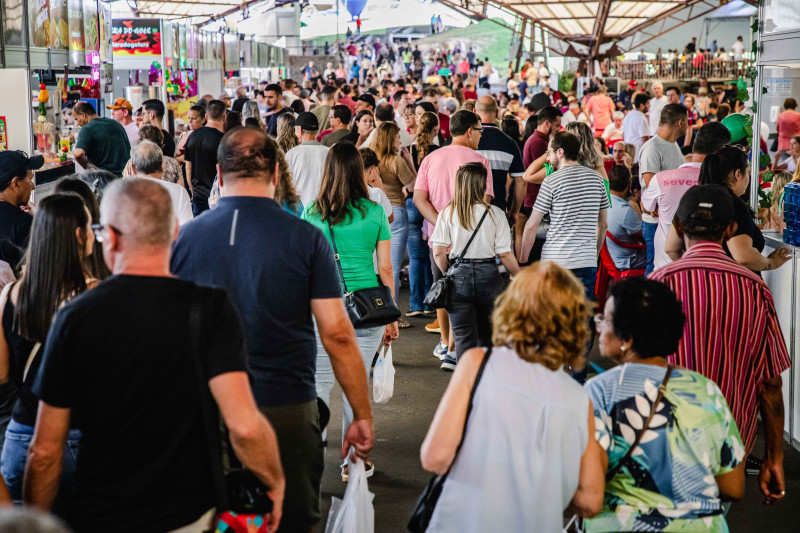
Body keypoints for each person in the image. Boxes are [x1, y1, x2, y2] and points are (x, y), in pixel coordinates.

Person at [26, 179, 285, 532]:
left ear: (111, 238)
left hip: (101, 514)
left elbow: (44, 452)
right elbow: (243, 425)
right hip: (188, 515)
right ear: (175, 234)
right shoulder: (210, 309)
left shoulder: (75, 316)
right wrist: (274, 481)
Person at [171, 128, 374, 531]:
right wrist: (361, 414)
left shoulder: (187, 238)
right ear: (277, 174)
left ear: (218, 174)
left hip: (205, 408)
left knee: (214, 518)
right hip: (285, 403)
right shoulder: (304, 238)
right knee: (291, 518)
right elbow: (336, 333)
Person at [420, 262, 604, 531]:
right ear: (574, 321)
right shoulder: (578, 399)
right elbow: (590, 500)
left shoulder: (477, 365)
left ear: (512, 307)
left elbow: (435, 456)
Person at [651, 185, 789, 506]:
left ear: (680, 227)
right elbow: (770, 386)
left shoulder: (659, 284)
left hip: (664, 439)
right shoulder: (755, 290)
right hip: (729, 446)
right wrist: (774, 458)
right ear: (729, 229)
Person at [587, 277, 745, 532]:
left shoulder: (599, 392)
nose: (598, 327)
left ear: (627, 336)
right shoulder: (706, 390)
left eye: (604, 319)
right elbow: (732, 487)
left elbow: (586, 490)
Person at [301, 142, 398, 479]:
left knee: (318, 384)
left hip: (322, 308)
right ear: (359, 171)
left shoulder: (312, 212)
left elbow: (304, 266)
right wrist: (392, 315)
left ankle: (311, 463)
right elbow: (386, 269)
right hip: (367, 310)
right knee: (356, 382)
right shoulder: (374, 212)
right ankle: (352, 462)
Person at [2, 193, 97, 505]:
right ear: (79, 235)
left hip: (22, 432)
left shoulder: (9, 295)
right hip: (81, 435)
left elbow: (1, 374)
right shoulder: (97, 296)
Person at [414, 110, 493, 370]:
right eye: (480, 130)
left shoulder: (430, 158)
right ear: (470, 131)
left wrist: (441, 224)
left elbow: (418, 200)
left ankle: (446, 342)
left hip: (437, 240)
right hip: (471, 243)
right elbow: (485, 202)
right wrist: (455, 226)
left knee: (443, 289)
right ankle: (458, 347)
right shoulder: (481, 160)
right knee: (467, 295)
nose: (481, 136)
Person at [431, 163, 519, 362]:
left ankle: (467, 384)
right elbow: (504, 254)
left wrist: (450, 271)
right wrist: (519, 274)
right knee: (489, 338)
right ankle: (485, 384)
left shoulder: (447, 213)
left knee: (463, 338)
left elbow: (438, 253)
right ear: (481, 185)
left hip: (457, 278)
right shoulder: (495, 214)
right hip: (489, 276)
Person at [668, 146, 790, 273]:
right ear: (738, 174)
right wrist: (771, 263)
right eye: (747, 173)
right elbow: (744, 257)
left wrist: (695, 272)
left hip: (694, 286)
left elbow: (671, 248)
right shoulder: (732, 203)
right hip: (735, 286)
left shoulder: (691, 197)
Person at [521, 130, 609, 289]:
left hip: (556, 261)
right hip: (586, 262)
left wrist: (523, 262)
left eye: (549, 152)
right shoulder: (598, 179)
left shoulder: (551, 181)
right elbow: (602, 225)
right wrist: (592, 256)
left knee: (554, 313)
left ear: (560, 152)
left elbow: (531, 226)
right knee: (581, 313)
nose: (547, 158)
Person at [641, 121, 730, 270]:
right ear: (720, 152)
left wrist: (660, 208)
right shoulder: (721, 183)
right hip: (704, 269)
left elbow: (645, 206)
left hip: (665, 268)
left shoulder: (661, 179)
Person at [638, 103, 687, 275]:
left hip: (671, 220)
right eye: (687, 121)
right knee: (654, 267)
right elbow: (651, 183)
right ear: (681, 122)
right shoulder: (653, 147)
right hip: (655, 222)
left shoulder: (672, 145)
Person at [374, 123, 416, 316]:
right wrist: (409, 161)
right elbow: (414, 185)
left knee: (376, 265)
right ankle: (393, 315)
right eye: (398, 137)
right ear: (391, 139)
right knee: (392, 266)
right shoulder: (396, 161)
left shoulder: (371, 159)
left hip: (374, 211)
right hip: (396, 211)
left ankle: (377, 308)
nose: (400, 141)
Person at [520, 105, 562, 259]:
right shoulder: (539, 143)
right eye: (557, 126)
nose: (558, 129)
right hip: (536, 200)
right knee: (537, 248)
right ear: (547, 124)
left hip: (535, 199)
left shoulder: (539, 140)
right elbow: (541, 175)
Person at [475, 96, 525, 218]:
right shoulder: (509, 143)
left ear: (474, 112)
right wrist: (514, 211)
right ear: (497, 113)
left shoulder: (467, 140)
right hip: (498, 210)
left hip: (468, 211)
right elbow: (520, 181)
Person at [128, 141, 193, 226]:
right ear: (162, 167)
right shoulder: (179, 192)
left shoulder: (123, 193)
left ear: (133, 169)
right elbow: (186, 228)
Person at [185, 99, 225, 215]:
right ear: (224, 117)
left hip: (198, 196)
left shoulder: (192, 136)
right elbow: (222, 170)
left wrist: (192, 190)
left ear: (206, 116)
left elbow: (188, 167)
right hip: (217, 198)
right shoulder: (222, 140)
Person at [72, 101, 131, 177]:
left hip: (103, 181)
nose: (77, 123)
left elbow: (78, 154)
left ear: (83, 115)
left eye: (76, 119)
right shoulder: (116, 124)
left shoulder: (87, 129)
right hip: (123, 179)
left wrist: (86, 165)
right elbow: (128, 150)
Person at [606, 165, 646, 270]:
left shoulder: (603, 202)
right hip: (627, 262)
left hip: (610, 259)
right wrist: (636, 207)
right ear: (630, 185)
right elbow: (646, 238)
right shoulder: (625, 212)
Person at [286, 112, 330, 207]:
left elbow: (287, 185)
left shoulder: (291, 154)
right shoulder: (330, 152)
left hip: (300, 210)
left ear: (299, 129)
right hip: (326, 209)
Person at [0, 151, 39, 252]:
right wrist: (40, 219)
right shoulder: (24, 224)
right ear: (15, 184)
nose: (33, 186)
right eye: (30, 179)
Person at [622, 93, 650, 164]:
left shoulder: (628, 116)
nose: (649, 106)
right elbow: (645, 138)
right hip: (638, 153)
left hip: (628, 152)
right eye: (647, 103)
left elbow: (623, 134)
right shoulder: (641, 117)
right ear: (641, 105)